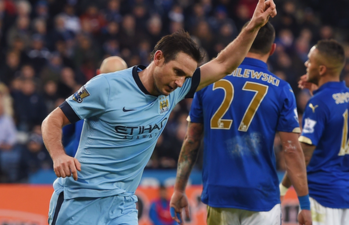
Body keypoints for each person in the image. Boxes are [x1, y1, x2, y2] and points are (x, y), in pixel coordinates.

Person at [43, 1, 277, 224]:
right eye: (177, 72)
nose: (179, 82)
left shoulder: (176, 89)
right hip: (80, 200)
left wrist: (254, 25)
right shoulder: (105, 87)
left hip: (122, 204)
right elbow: (53, 119)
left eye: (185, 76)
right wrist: (59, 155)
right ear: (158, 58)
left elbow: (225, 63)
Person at [169, 21, 312, 225]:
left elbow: (191, 139)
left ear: (241, 40)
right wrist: (304, 204)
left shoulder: (208, 81)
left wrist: (179, 189)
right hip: (260, 196)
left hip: (219, 193)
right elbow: (291, 150)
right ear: (272, 49)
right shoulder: (281, 88)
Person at [280, 40, 349, 225]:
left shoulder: (318, 103)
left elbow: (303, 155)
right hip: (345, 195)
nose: (306, 64)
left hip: (322, 196)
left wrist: (283, 187)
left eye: (310, 61)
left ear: (321, 70)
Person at [62, 56, 128, 157]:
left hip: (81, 169)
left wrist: (60, 155)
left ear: (98, 73)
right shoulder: (137, 105)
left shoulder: (82, 99)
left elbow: (64, 134)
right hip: (118, 169)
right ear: (128, 76)